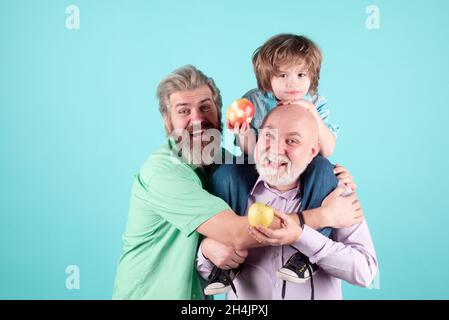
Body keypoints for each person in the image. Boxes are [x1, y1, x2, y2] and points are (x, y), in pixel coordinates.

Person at [112, 65, 361, 300]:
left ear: (220, 113)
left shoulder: (226, 165)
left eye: (205, 107)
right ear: (167, 122)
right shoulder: (164, 173)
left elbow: (271, 170)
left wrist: (331, 176)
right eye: (183, 111)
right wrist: (323, 217)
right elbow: (235, 233)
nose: (197, 119)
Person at [203, 34, 347, 293]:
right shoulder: (254, 100)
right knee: (226, 172)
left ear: (312, 77)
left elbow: (326, 149)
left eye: (301, 75)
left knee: (325, 169)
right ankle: (232, 250)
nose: (293, 83)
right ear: (266, 78)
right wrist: (243, 132)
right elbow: (251, 153)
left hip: (301, 166)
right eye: (283, 76)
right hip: (260, 162)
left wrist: (311, 113)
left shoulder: (316, 102)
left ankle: (309, 255)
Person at [197, 105, 378, 299]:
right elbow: (207, 275)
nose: (276, 148)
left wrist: (303, 237)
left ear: (312, 151)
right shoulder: (230, 189)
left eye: (292, 141)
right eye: (268, 136)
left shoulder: (335, 194)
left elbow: (365, 272)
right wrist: (207, 252)